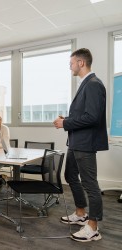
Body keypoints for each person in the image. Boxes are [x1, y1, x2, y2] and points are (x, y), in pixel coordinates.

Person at [53, 48, 108, 242]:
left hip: (85, 143)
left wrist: (65, 123)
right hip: (76, 142)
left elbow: (92, 118)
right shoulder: (86, 84)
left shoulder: (93, 84)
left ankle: (92, 227)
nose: (70, 67)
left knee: (90, 185)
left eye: (71, 63)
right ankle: (80, 213)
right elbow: (84, 115)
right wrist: (66, 119)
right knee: (69, 175)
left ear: (81, 63)